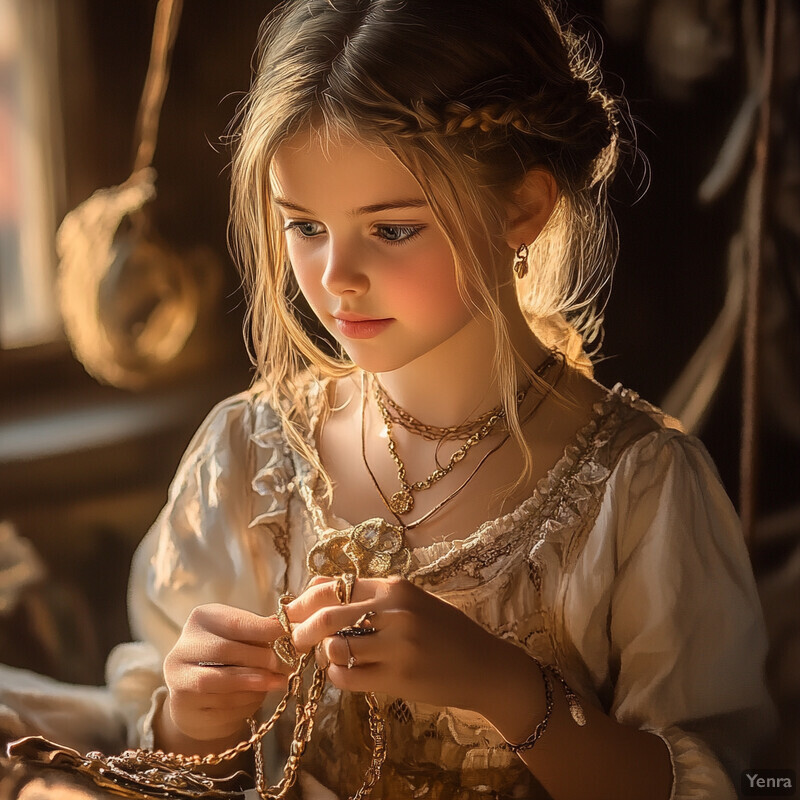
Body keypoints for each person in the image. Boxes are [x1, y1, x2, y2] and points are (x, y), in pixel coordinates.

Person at [0, 0, 776, 798]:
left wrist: (505, 688)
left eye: (393, 229)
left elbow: (734, 784)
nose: (336, 278)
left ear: (521, 209)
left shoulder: (642, 493)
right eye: (304, 227)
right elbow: (153, 751)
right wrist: (192, 721)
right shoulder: (250, 454)